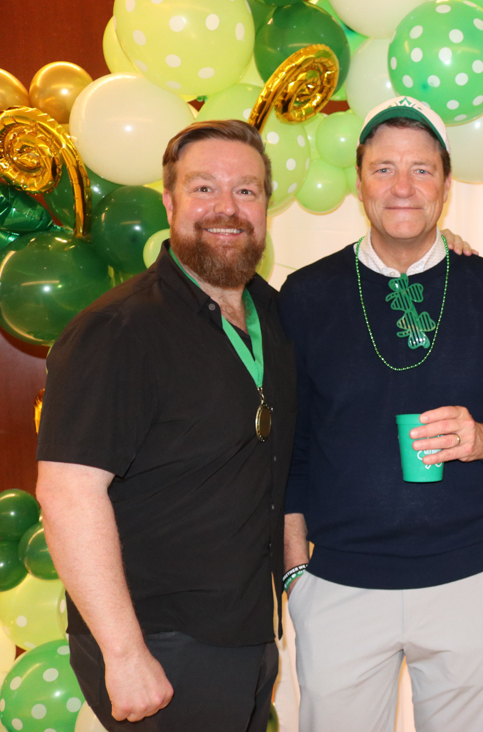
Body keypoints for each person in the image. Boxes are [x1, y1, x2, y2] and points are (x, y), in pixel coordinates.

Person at [278, 96, 483, 732]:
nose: (403, 186)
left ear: (446, 186)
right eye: (384, 168)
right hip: (340, 586)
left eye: (421, 170)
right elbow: (289, 446)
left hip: (469, 581)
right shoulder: (306, 294)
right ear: (359, 182)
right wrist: (295, 574)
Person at [35, 119, 295, 731]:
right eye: (204, 188)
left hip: (246, 634)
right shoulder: (117, 330)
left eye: (246, 190)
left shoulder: (275, 315)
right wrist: (124, 654)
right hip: (158, 644)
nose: (227, 208)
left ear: (265, 205)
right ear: (170, 202)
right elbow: (68, 494)